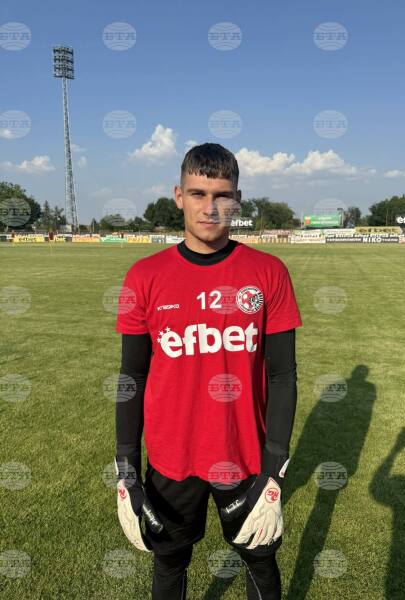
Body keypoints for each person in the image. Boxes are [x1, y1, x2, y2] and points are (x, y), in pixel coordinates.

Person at [114, 142, 303, 599]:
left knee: (260, 559)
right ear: (179, 196)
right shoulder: (144, 276)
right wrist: (126, 469)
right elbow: (132, 377)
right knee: (169, 561)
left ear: (238, 200)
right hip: (171, 458)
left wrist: (274, 471)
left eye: (223, 195)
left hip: (245, 456)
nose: (211, 207)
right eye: (198, 194)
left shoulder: (269, 272)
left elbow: (282, 376)